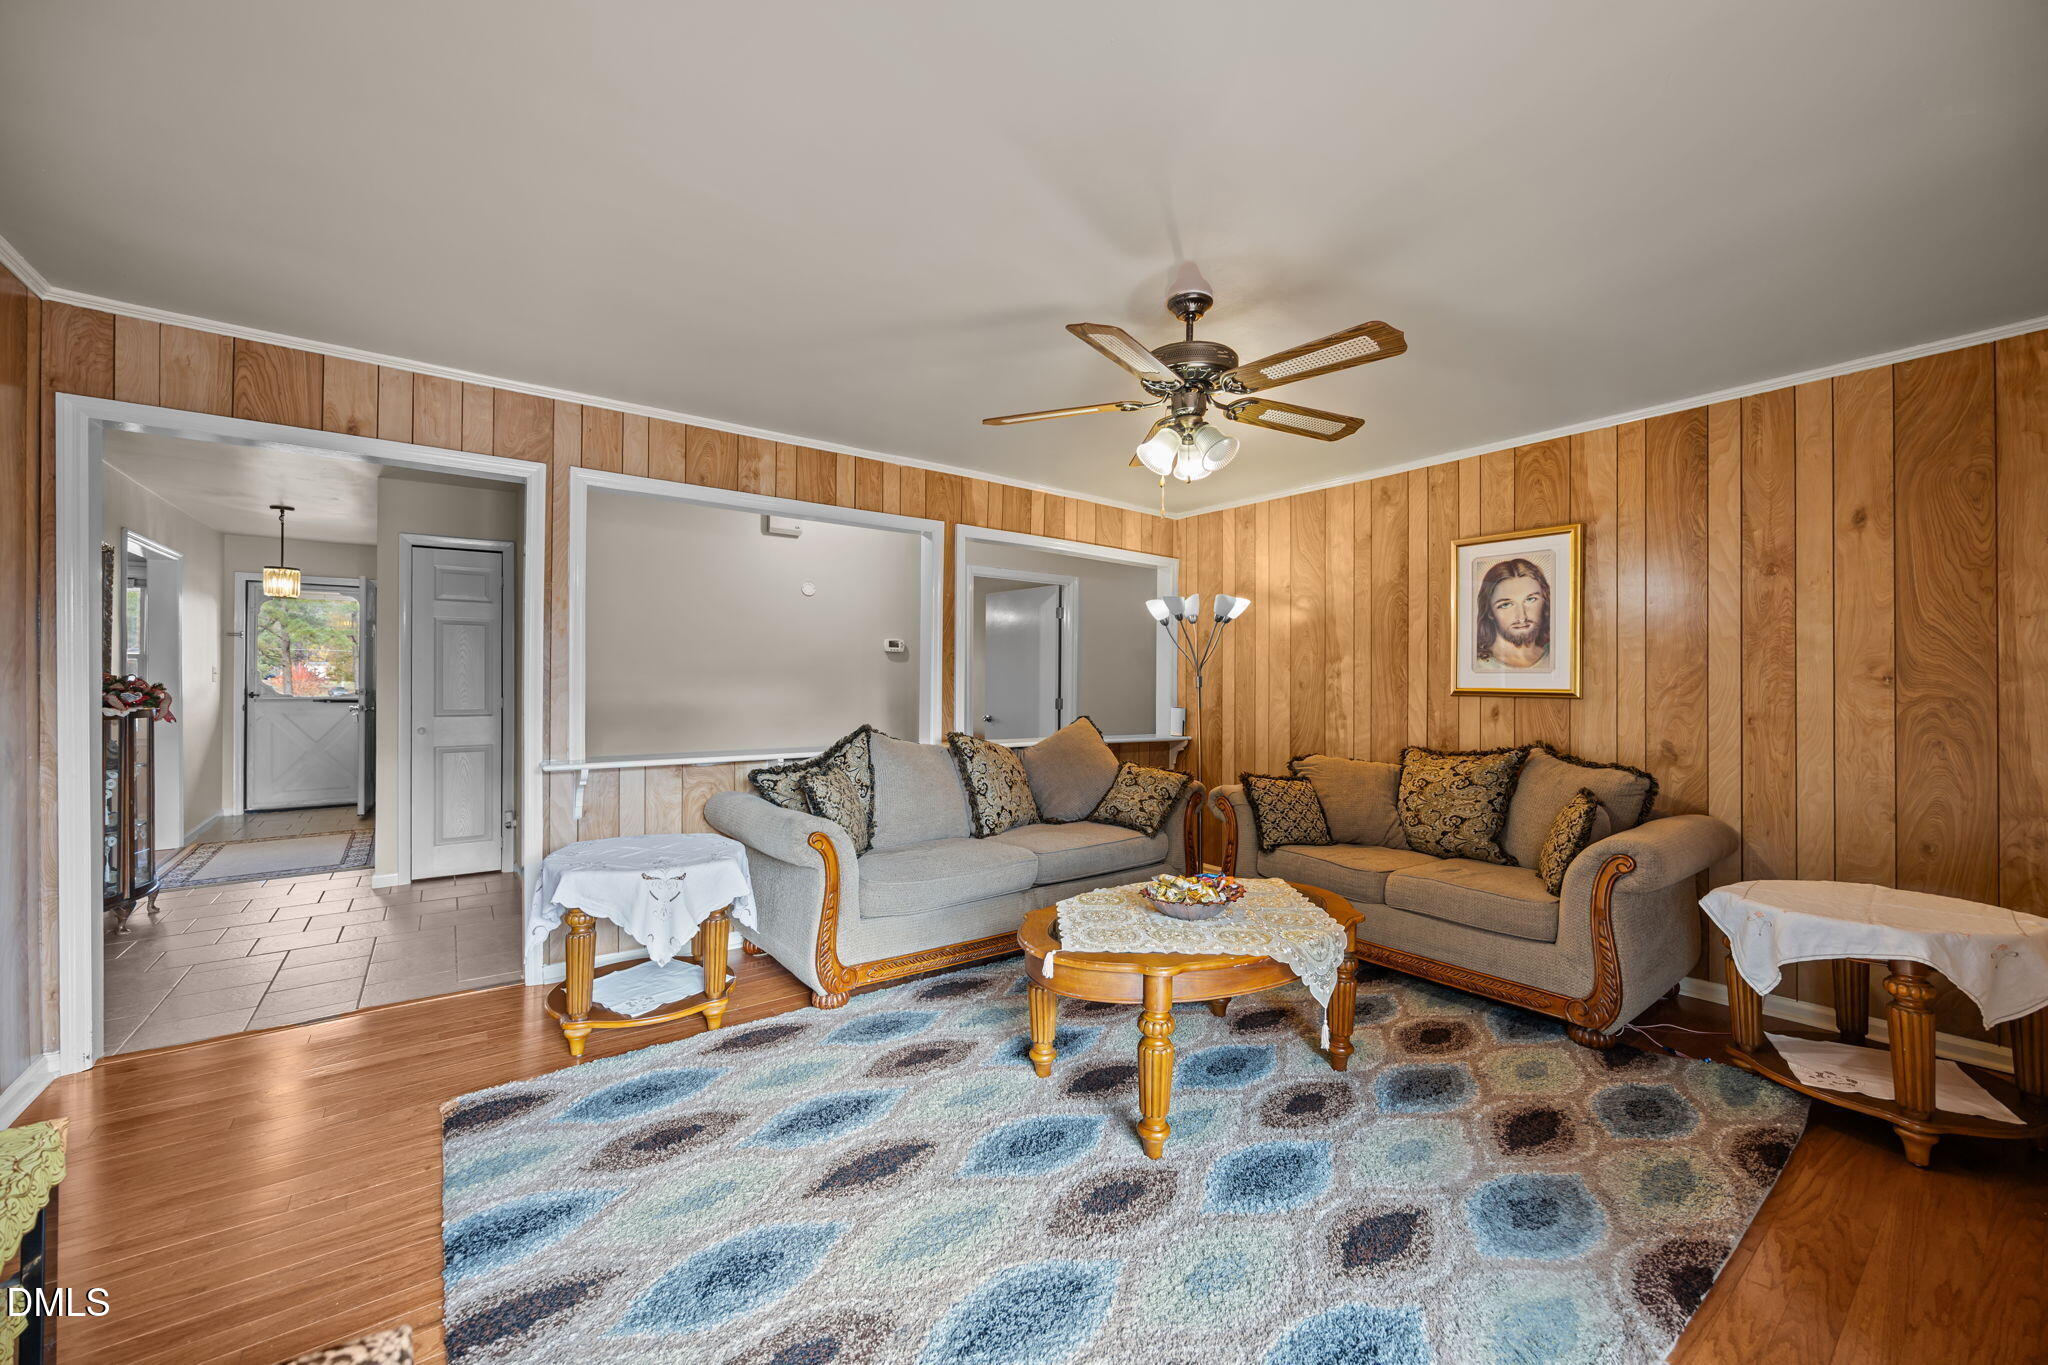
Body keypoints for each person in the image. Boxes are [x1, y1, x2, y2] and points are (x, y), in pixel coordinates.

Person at [1474, 556, 1551, 670]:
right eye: (1506, 605)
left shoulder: (1557, 655)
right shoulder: (1478, 664)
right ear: (1489, 611)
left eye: (1530, 599)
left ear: (1545, 600)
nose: (1522, 617)